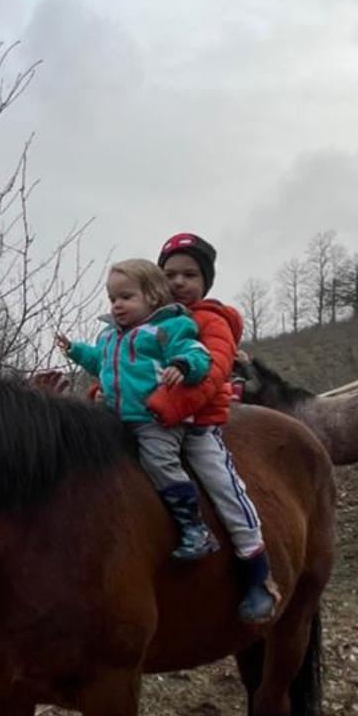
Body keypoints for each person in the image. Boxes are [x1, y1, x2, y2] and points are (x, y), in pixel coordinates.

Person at [155, 231, 278, 624]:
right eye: (170, 274)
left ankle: (256, 568)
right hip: (151, 425)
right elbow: (128, 367)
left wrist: (164, 408)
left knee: (225, 486)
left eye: (189, 275)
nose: (178, 283)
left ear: (205, 281)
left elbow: (211, 373)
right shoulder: (149, 323)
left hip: (195, 428)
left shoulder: (213, 322)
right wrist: (101, 392)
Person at [57, 259, 217, 560]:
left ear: (153, 296)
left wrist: (183, 365)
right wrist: (76, 351)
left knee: (158, 461)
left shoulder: (168, 328)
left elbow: (198, 354)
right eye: (113, 298)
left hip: (155, 420)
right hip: (116, 418)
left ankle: (194, 527)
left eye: (126, 297)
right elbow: (99, 363)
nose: (117, 305)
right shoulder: (110, 337)